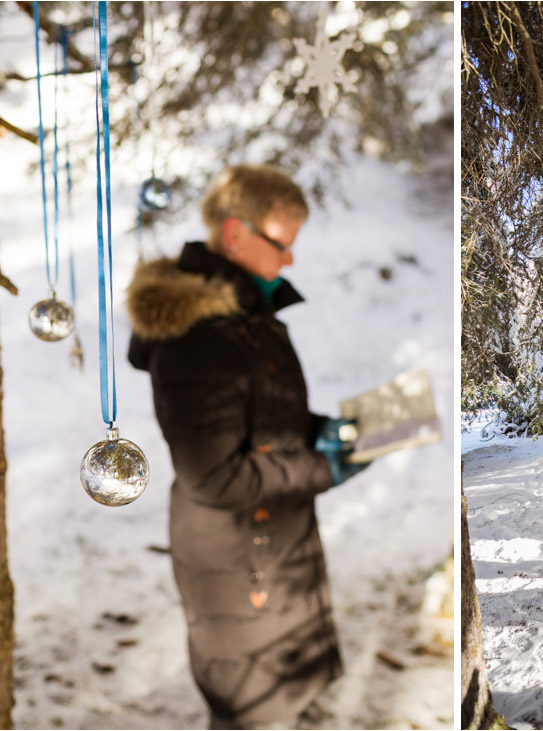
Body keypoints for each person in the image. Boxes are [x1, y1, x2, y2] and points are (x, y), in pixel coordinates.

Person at [127, 164, 369, 729]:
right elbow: (213, 477)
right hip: (237, 563)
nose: (290, 262)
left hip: (269, 549)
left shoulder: (242, 314)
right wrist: (320, 467)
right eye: (282, 245)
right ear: (235, 234)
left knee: (278, 701)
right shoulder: (197, 334)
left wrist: (320, 430)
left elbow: (259, 412)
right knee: (251, 712)